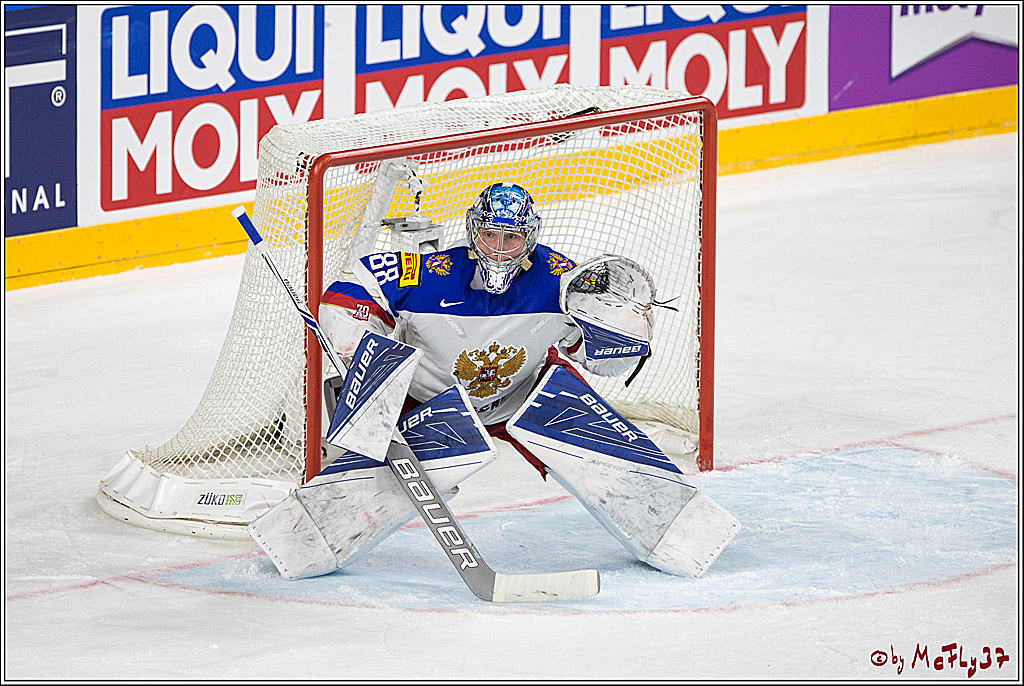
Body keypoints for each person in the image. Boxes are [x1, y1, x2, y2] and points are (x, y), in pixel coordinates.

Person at [319, 181, 645, 477]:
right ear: (474, 232)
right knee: (369, 479)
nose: (500, 249)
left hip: (523, 399)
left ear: (530, 238)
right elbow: (350, 290)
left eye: (512, 238)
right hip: (429, 408)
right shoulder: (433, 273)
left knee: (612, 469)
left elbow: (602, 361)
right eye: (490, 235)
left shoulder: (559, 279)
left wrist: (622, 340)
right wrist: (361, 358)